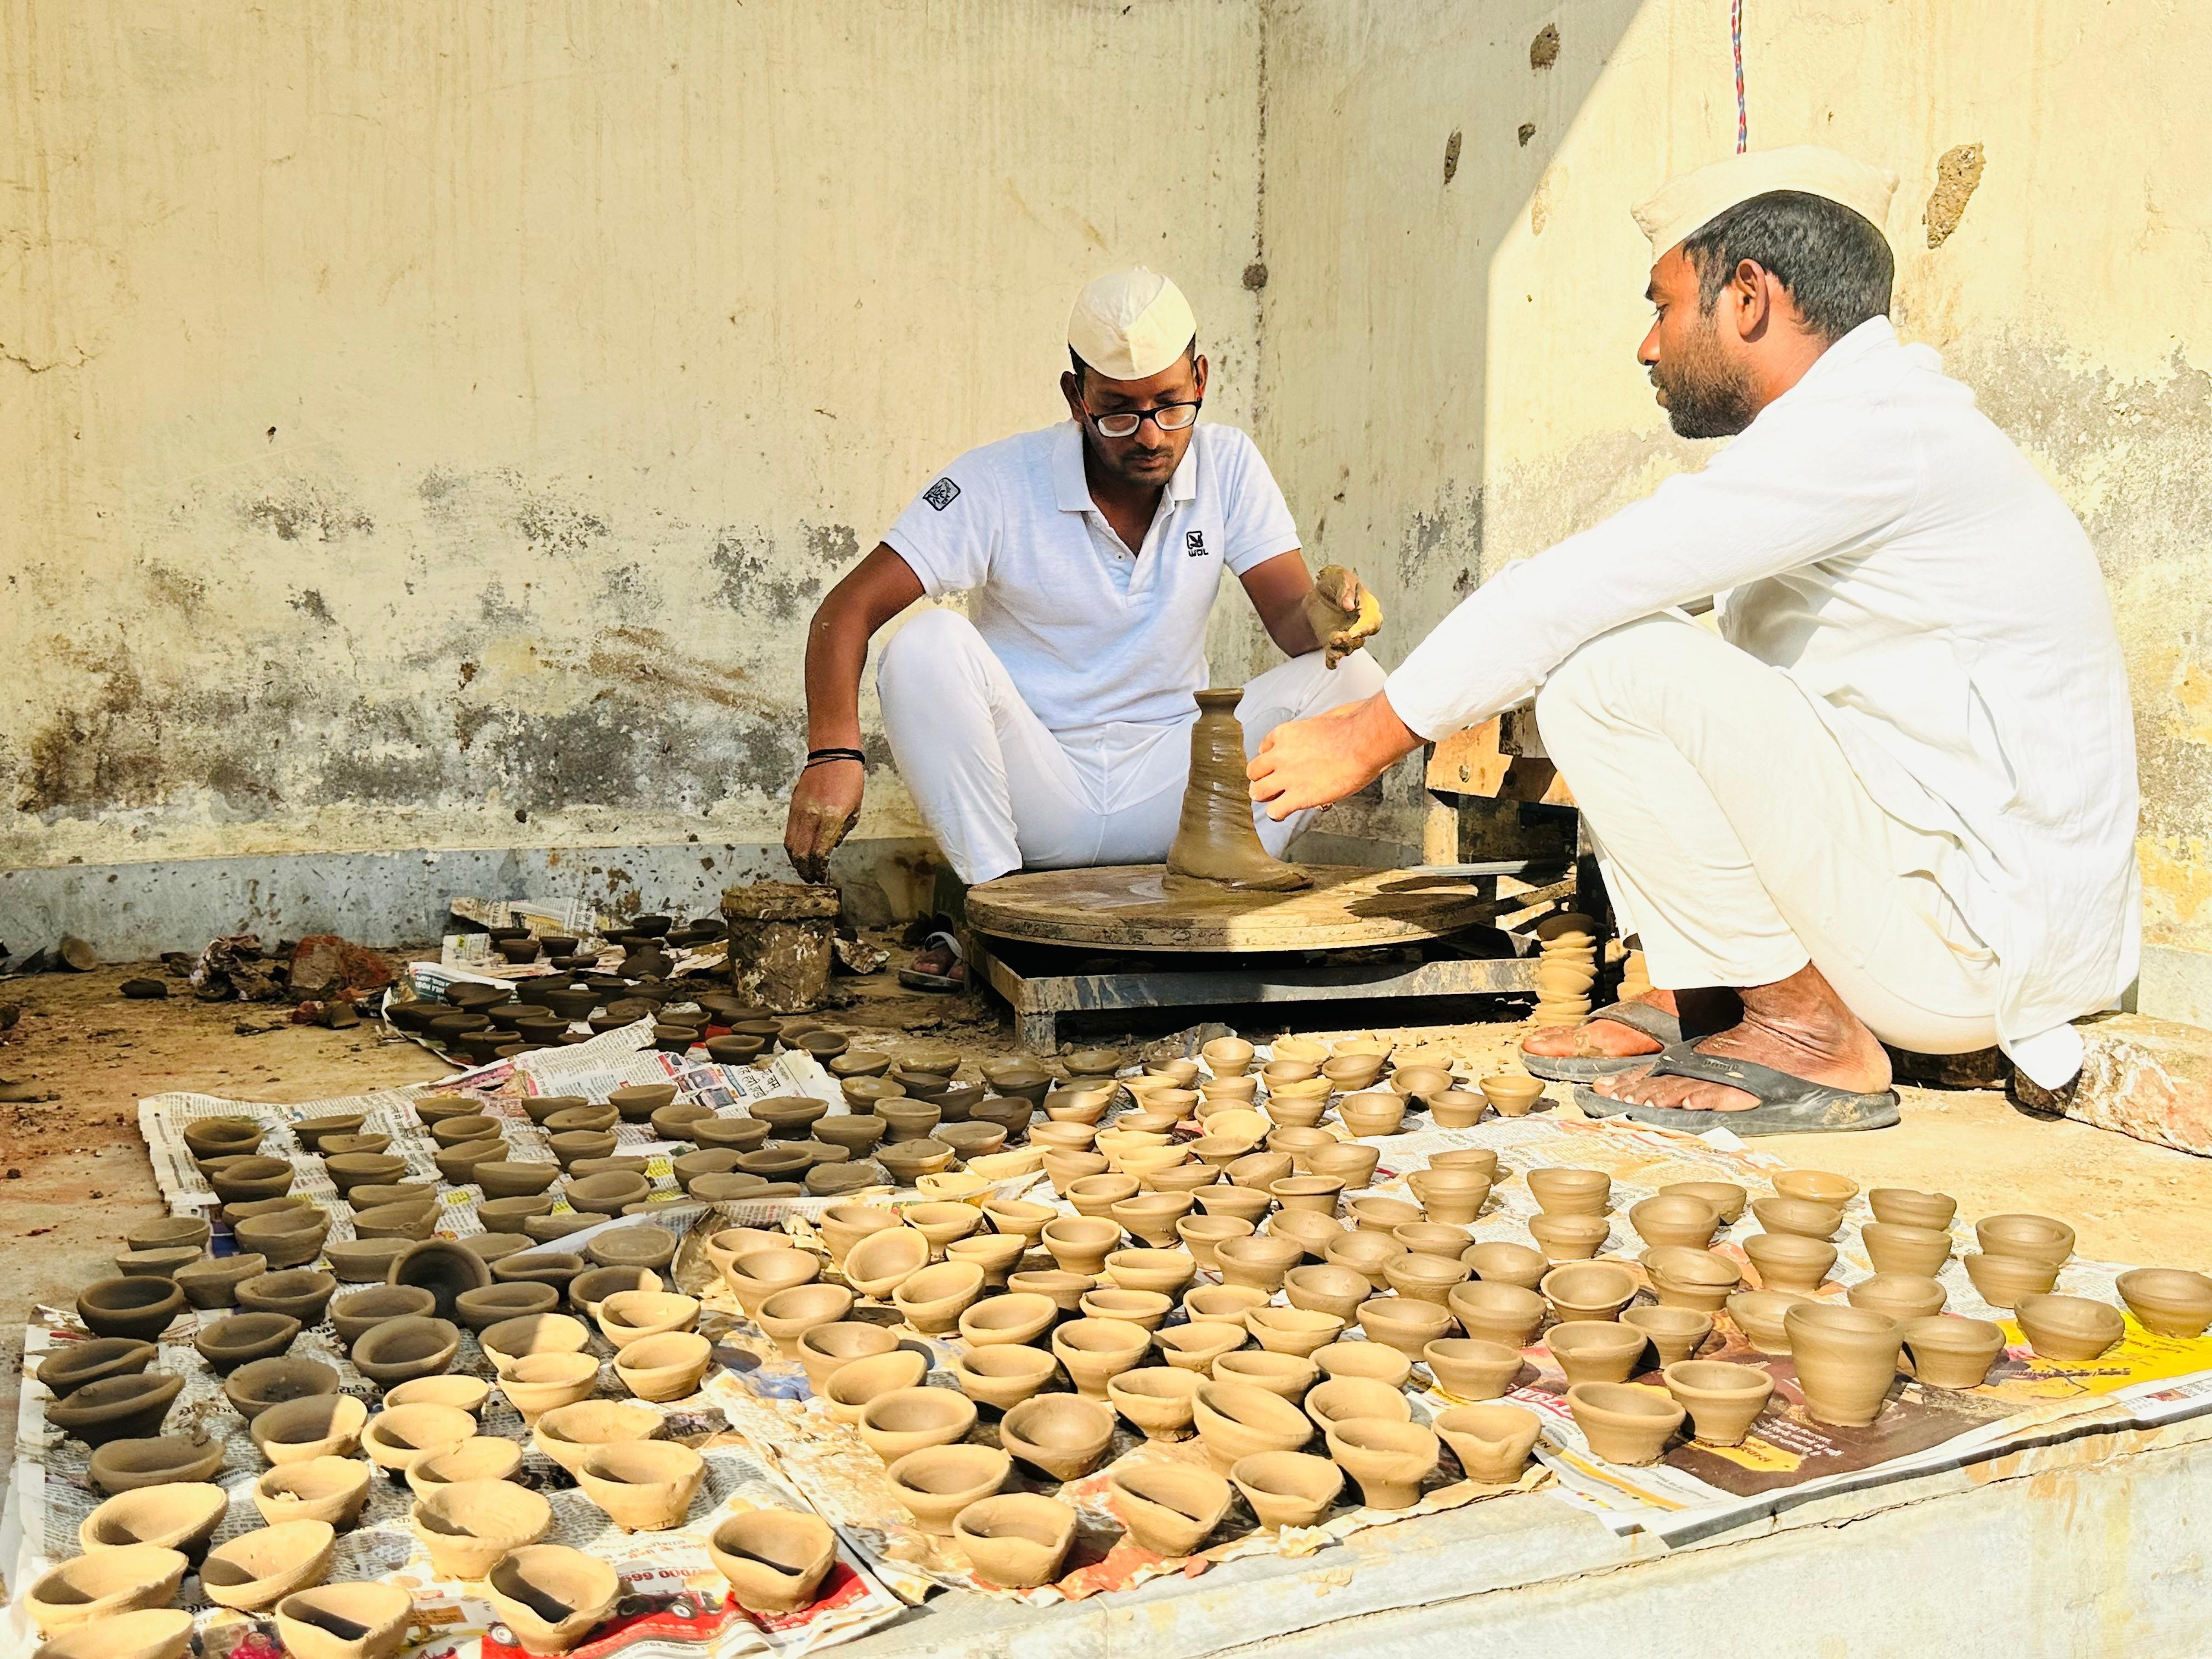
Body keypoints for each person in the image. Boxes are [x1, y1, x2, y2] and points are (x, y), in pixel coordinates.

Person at [1246, 146, 2139, 1133]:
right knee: (1646, 637)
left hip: (1974, 958)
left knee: (1604, 666)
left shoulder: (1876, 432)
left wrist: (1369, 732)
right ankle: (1712, 997)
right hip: (1936, 911)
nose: (1646, 346)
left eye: (1663, 307)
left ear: (1748, 296)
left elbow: (1575, 587)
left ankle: (1804, 1031)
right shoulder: (1861, 430)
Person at [783, 267, 1386, 988]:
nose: (1151, 436)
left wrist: (1329, 617)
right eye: (1119, 413)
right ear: (1076, 398)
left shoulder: (1229, 465)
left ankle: (1226, 890)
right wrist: (832, 755)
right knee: (923, 645)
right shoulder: (1000, 481)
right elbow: (846, 610)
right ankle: (1004, 916)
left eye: (1171, 405)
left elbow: (1294, 625)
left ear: (1201, 376)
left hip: (1179, 798)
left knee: (1359, 681)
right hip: (1039, 795)